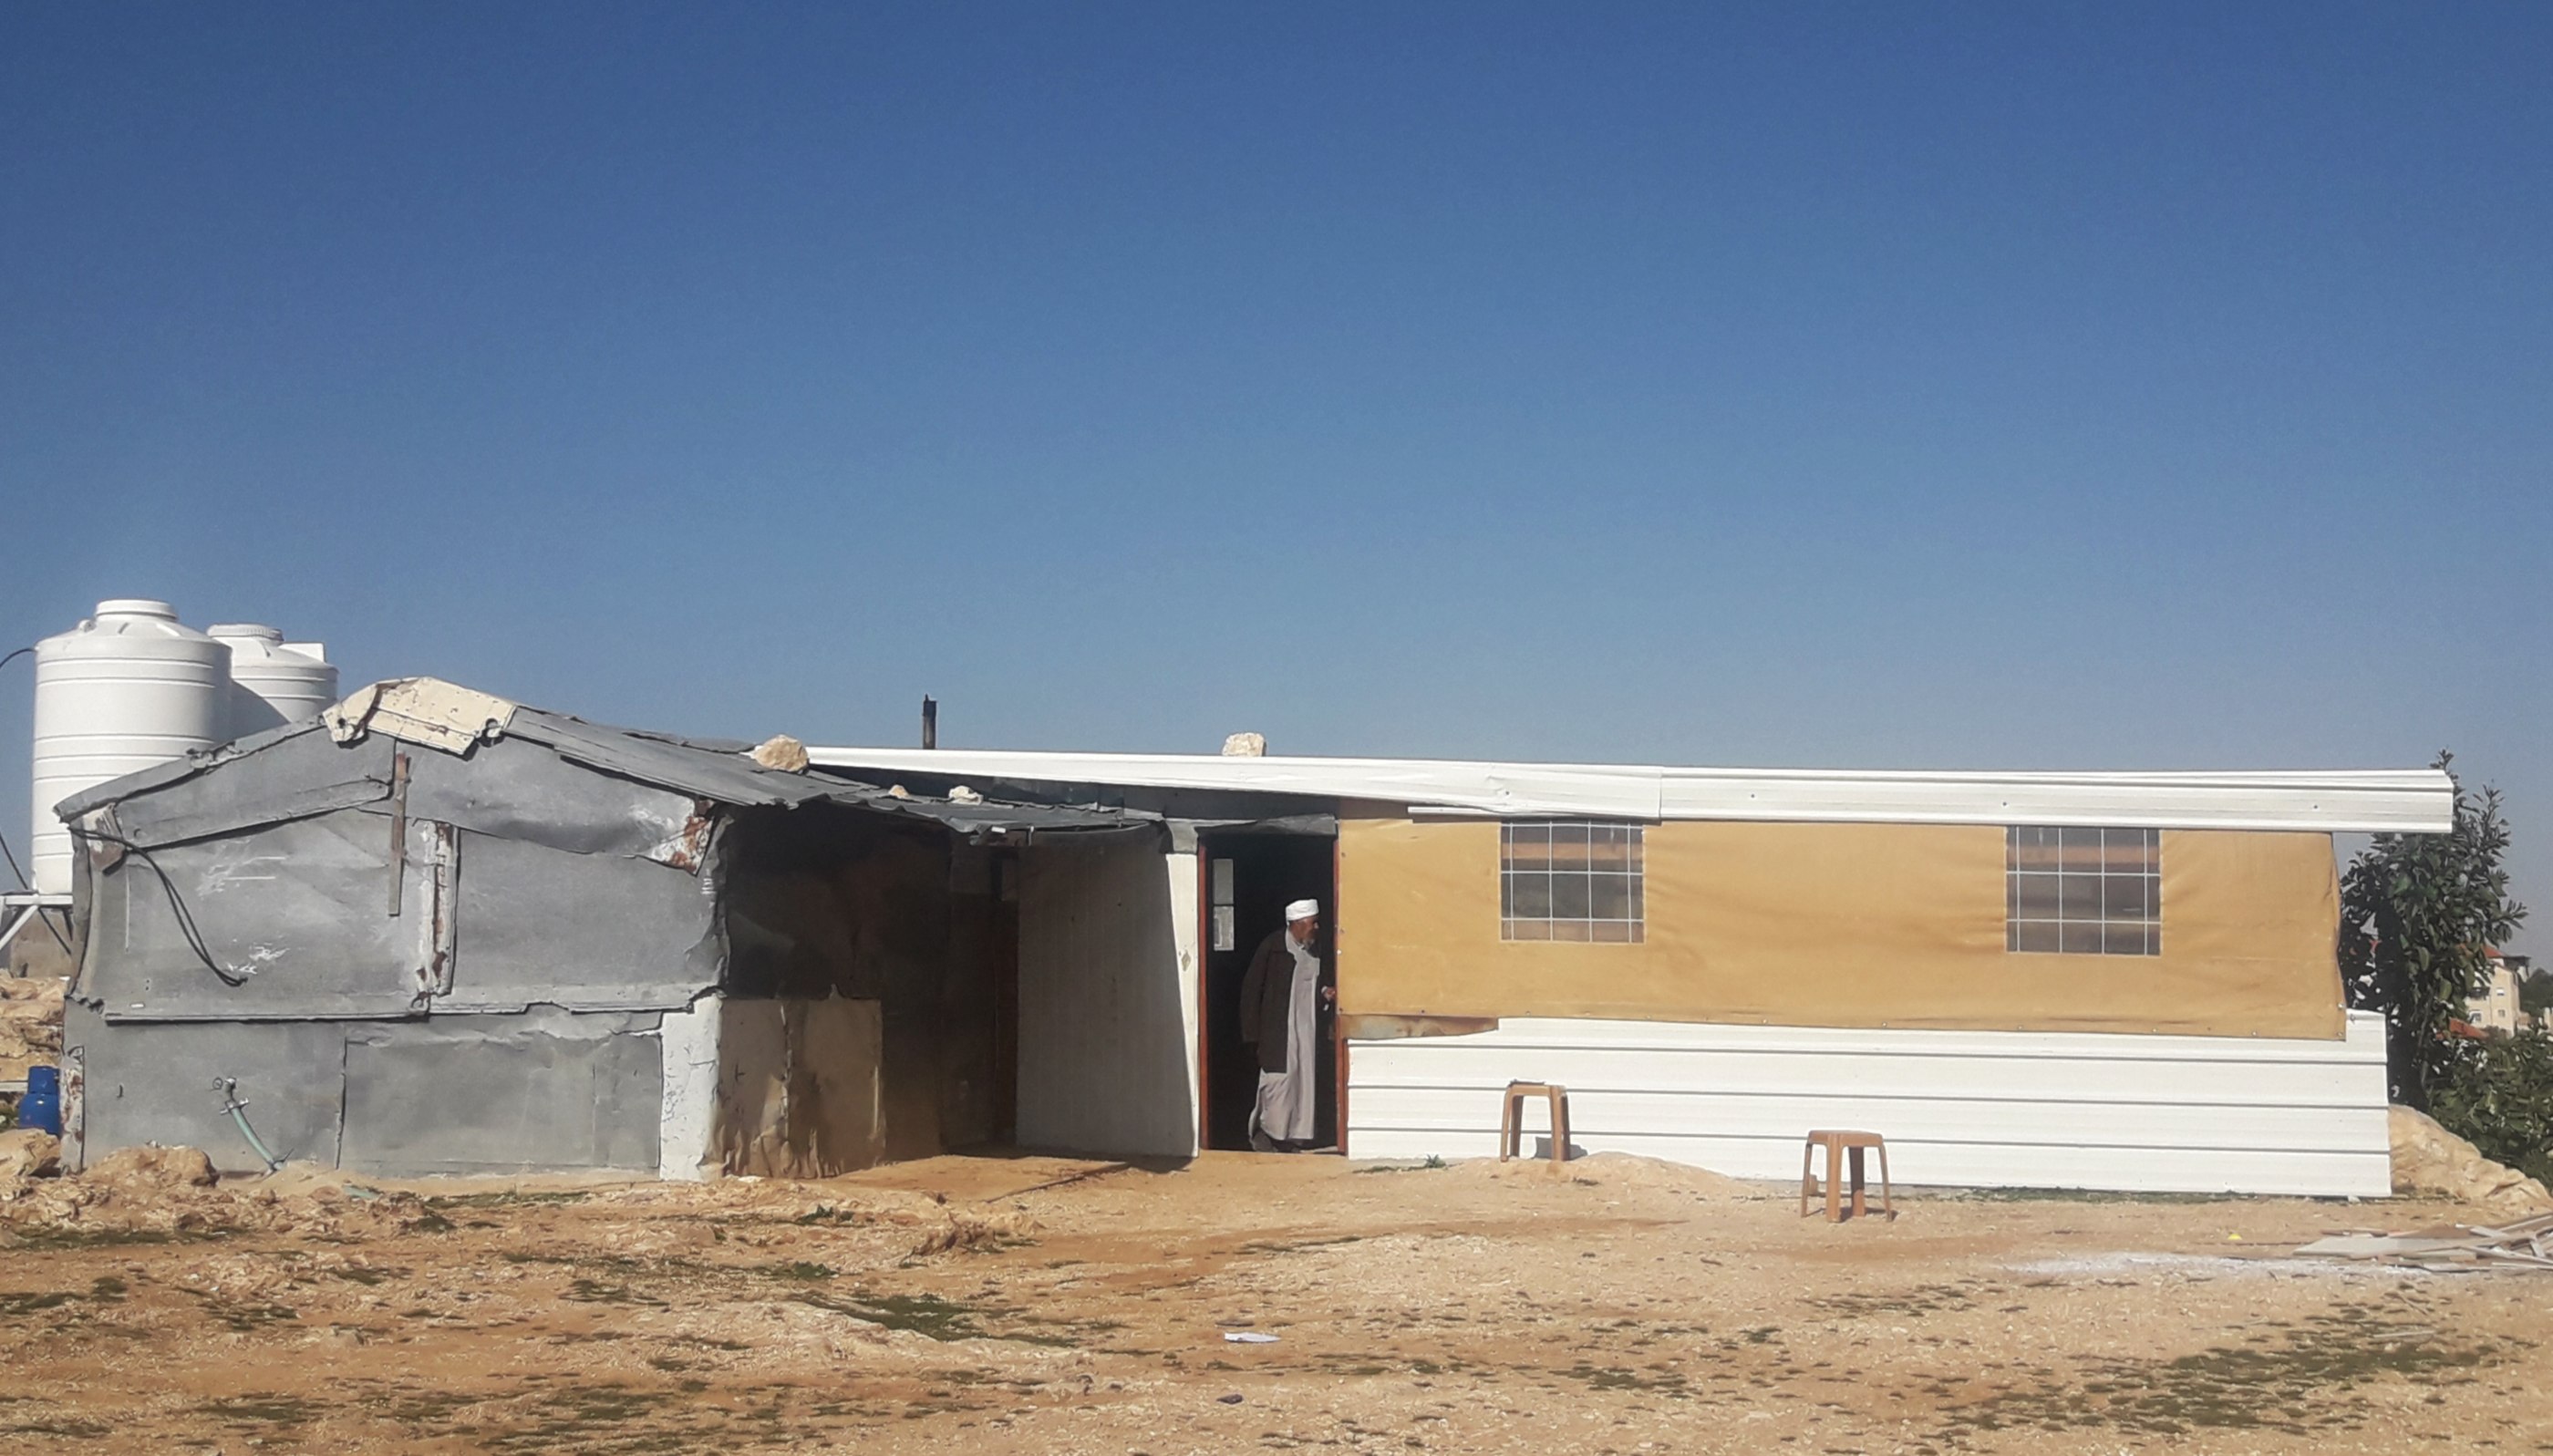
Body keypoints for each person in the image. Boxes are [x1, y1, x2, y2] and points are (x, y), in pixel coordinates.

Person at [1237, 897, 1333, 1151]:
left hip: (1306, 1030)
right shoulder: (1273, 948)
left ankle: (1292, 1138)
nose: (1316, 928)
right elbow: (1251, 991)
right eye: (1312, 923)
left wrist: (1324, 994)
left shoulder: (1315, 949)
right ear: (1297, 924)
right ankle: (1268, 1134)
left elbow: (1315, 986)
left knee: (1302, 1085)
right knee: (1278, 1084)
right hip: (1278, 1032)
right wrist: (1252, 1035)